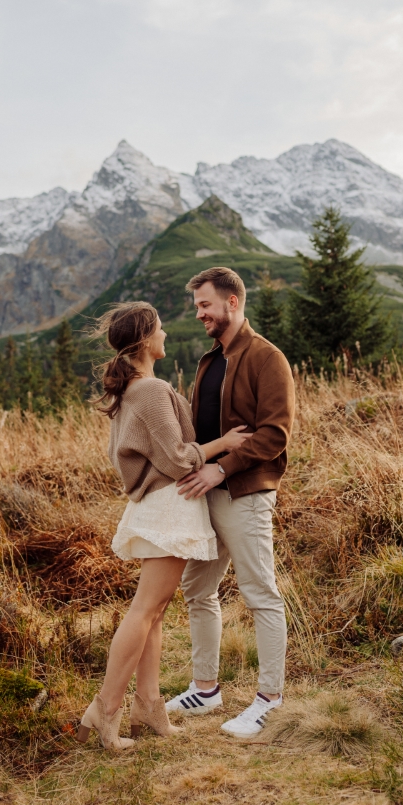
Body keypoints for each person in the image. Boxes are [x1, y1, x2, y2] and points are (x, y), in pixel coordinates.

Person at [77, 301, 252, 750]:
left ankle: (149, 708)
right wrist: (224, 444)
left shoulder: (132, 390)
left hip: (158, 506)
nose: (166, 335)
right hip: (168, 506)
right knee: (144, 611)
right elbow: (177, 459)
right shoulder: (149, 391)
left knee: (152, 614)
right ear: (143, 341)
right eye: (159, 329)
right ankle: (105, 709)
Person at [166, 267, 295, 738]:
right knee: (197, 589)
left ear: (232, 303)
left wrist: (222, 468)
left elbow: (275, 434)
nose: (198, 313)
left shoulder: (267, 358)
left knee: (260, 593)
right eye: (198, 306)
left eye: (205, 305)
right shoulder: (210, 359)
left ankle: (270, 698)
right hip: (206, 496)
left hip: (244, 494)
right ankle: (206, 689)